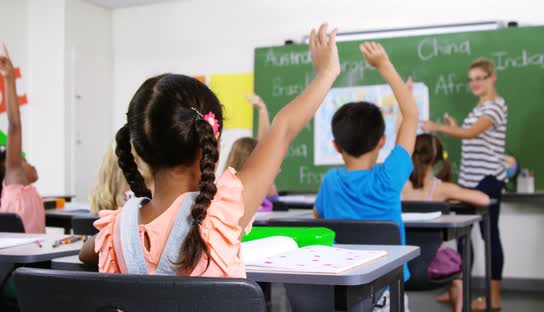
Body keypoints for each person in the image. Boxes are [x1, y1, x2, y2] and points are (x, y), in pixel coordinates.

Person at [79, 23, 341, 279]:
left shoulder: (115, 231)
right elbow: (283, 128)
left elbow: (85, 254)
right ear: (209, 142)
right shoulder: (221, 215)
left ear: (138, 147)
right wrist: (327, 72)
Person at [314, 41, 419, 311]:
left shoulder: (331, 181)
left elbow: (319, 220)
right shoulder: (388, 179)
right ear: (382, 141)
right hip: (388, 290)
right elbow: (411, 116)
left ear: (336, 146)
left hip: (343, 289)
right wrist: (384, 65)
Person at [423, 57, 507, 311]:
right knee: (461, 235)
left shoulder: (495, 106)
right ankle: (459, 288)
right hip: (470, 180)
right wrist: (455, 127)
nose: (475, 83)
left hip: (488, 180)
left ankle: (494, 297)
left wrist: (438, 127)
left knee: (489, 235)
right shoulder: (479, 108)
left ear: (492, 78)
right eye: (471, 79)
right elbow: (470, 134)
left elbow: (472, 134)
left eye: (480, 78)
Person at [402, 133, 490, 312]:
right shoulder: (442, 189)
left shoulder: (396, 185)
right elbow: (484, 200)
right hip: (430, 268)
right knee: (457, 274)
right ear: (437, 159)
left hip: (398, 266)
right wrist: (451, 199)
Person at [0, 44, 44, 233]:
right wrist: (9, 79)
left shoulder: (26, 189)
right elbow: (14, 125)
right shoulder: (14, 179)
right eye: (23, 160)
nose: (31, 165)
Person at [224, 94, 277, 211]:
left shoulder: (224, 187)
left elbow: (265, 146)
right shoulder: (262, 186)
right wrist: (262, 110)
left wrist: (262, 110)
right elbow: (265, 147)